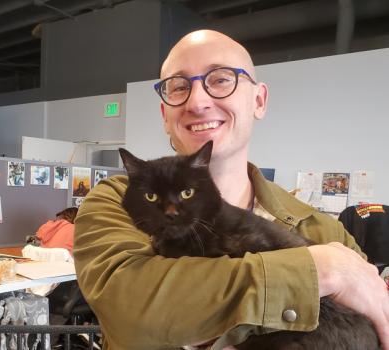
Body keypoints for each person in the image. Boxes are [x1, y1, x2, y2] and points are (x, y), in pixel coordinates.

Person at [73, 30, 389, 349]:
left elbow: (374, 321)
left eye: (222, 79)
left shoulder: (322, 229)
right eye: (180, 87)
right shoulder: (114, 202)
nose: (197, 101)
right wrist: (322, 270)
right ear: (164, 116)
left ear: (259, 100)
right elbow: (129, 309)